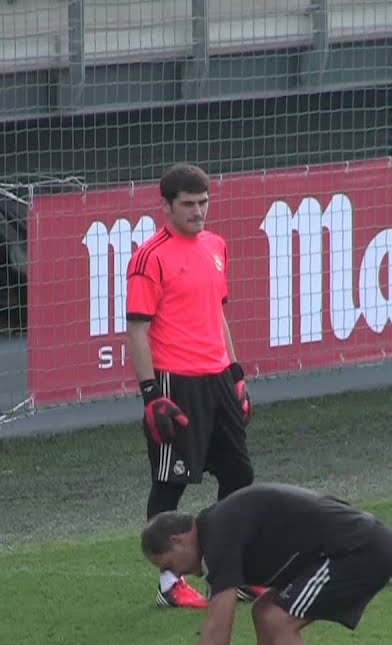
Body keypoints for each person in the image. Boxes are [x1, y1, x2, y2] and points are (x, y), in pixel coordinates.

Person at [125, 163, 263, 610]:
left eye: (203, 203)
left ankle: (233, 571)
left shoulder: (216, 246)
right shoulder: (149, 257)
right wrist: (151, 396)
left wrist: (237, 374)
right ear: (166, 206)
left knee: (239, 476)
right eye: (188, 204)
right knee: (170, 483)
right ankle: (168, 583)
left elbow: (216, 313)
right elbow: (137, 331)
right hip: (175, 383)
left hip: (218, 380)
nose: (198, 212)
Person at [140, 483, 392, 645]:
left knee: (278, 620)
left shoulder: (217, 537)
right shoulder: (215, 529)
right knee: (264, 612)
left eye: (168, 565)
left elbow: (217, 626)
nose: (173, 574)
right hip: (351, 546)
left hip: (361, 549)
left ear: (178, 540)